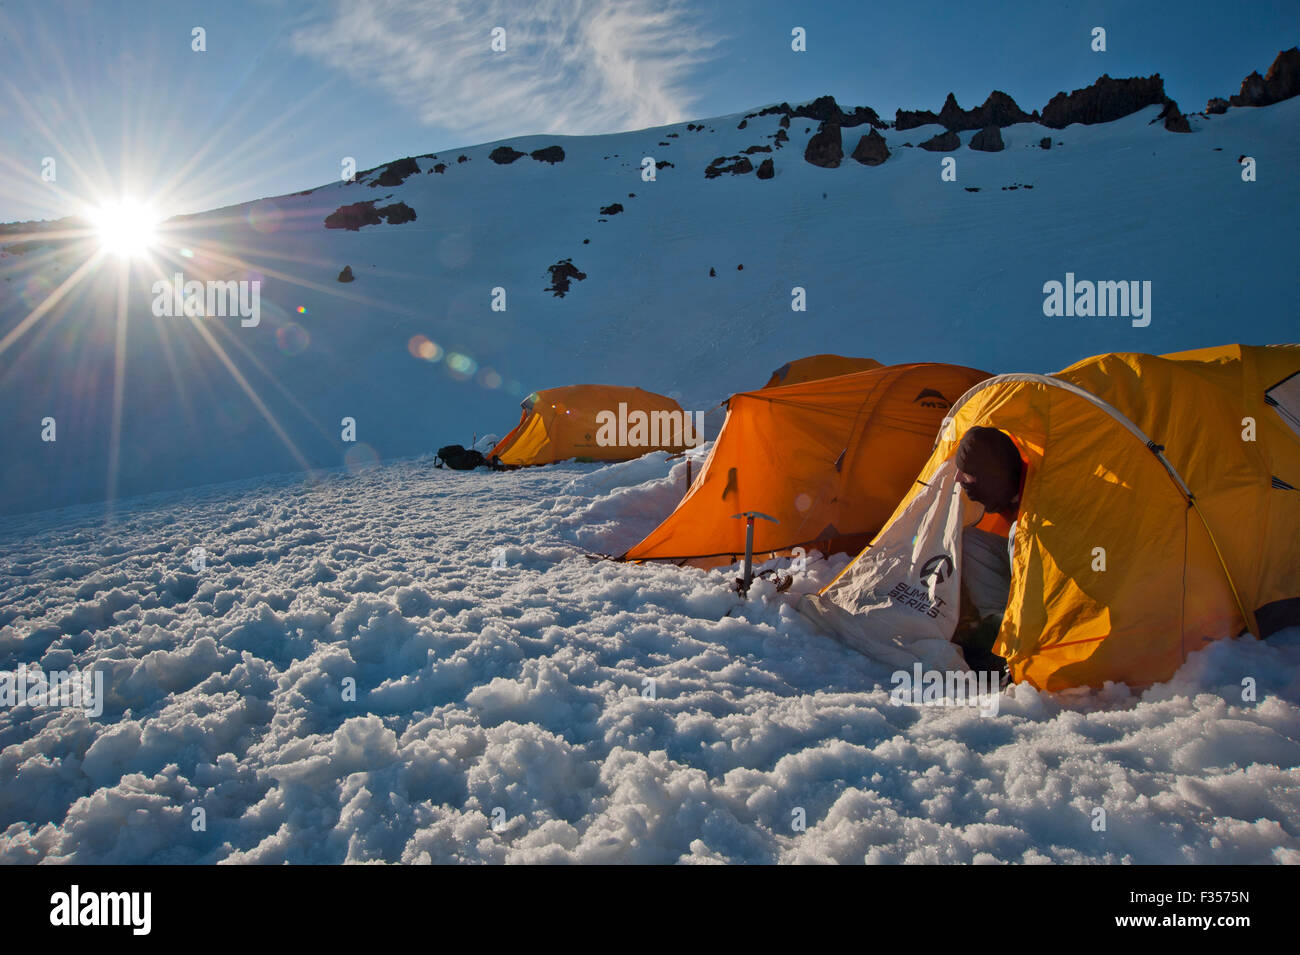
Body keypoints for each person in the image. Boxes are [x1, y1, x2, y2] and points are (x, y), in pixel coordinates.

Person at [951, 426, 1024, 676]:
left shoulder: (1038, 501)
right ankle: (997, 623)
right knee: (968, 540)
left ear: (990, 475)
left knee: (1021, 533)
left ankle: (1014, 641)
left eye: (967, 474)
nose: (958, 479)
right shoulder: (1011, 487)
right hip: (1020, 568)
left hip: (1048, 585)